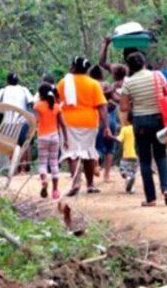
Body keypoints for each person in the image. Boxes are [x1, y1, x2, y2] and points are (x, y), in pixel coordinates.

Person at [120, 52, 167, 207]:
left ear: (129, 66)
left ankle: (150, 198)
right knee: (161, 155)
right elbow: (166, 95)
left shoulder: (128, 83)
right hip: (158, 119)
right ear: (144, 62)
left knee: (145, 160)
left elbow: (124, 107)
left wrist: (135, 102)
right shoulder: (157, 76)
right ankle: (166, 188)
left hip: (140, 121)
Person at [57, 57, 111, 195]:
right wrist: (106, 126)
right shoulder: (93, 84)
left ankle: (76, 182)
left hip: (69, 122)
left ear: (73, 67)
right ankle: (91, 185)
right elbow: (102, 105)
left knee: (72, 153)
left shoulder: (63, 83)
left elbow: (56, 104)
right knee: (88, 153)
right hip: (89, 122)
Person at [34, 83, 68, 200]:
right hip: (55, 137)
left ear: (40, 94)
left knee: (43, 163)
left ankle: (44, 180)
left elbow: (36, 121)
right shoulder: (57, 107)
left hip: (42, 137)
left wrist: (32, 132)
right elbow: (63, 124)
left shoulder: (38, 106)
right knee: (54, 163)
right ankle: (55, 190)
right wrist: (66, 139)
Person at [90, 65, 119, 182]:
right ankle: (106, 175)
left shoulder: (91, 85)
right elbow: (117, 99)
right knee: (110, 148)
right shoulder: (108, 85)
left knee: (96, 146)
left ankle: (96, 164)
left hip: (97, 118)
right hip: (110, 117)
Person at [117, 122, 138, 194]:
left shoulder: (124, 129)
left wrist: (110, 136)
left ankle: (128, 179)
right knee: (132, 172)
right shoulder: (136, 128)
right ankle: (131, 187)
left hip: (126, 155)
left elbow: (119, 139)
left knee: (123, 171)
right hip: (135, 156)